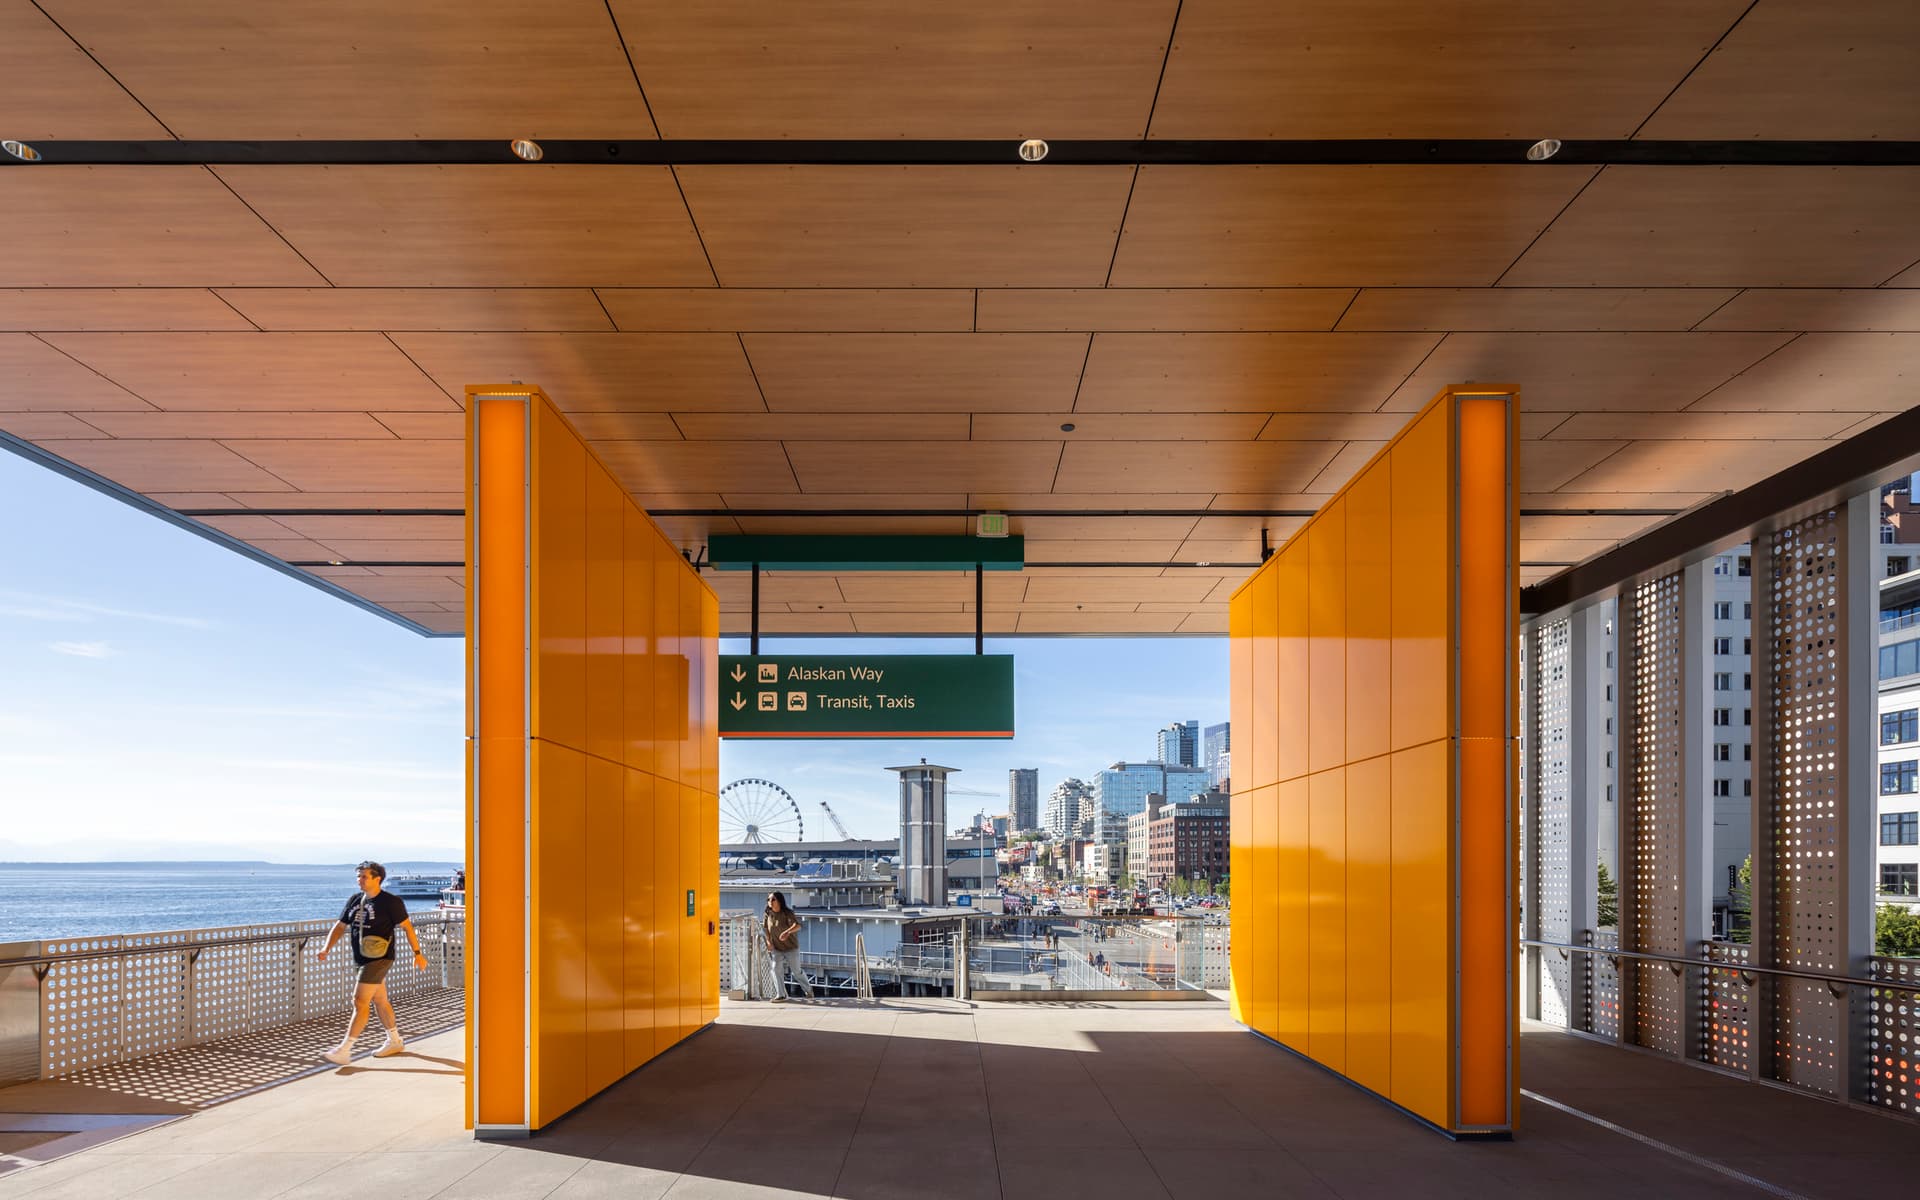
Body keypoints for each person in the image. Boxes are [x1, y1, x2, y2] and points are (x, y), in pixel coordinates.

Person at [317, 860, 428, 1064]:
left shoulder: (391, 902)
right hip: (361, 958)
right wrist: (326, 948)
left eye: (364, 876)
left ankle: (345, 1049)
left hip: (380, 958)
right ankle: (394, 1040)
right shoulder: (355, 900)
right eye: (358, 876)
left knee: (359, 1001)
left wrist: (417, 953)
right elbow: (340, 926)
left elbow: (408, 928)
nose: (359, 880)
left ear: (378, 879)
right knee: (380, 1000)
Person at [762, 891, 814, 1002]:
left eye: (773, 899)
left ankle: (808, 990)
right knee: (776, 969)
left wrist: (787, 932)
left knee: (796, 971)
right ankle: (781, 994)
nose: (770, 902)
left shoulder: (787, 913)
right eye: (768, 900)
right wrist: (768, 941)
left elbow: (797, 926)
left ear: (779, 901)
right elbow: (766, 928)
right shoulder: (768, 913)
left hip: (791, 947)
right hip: (776, 948)